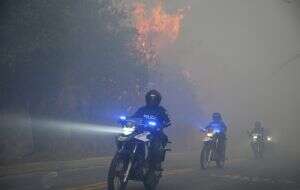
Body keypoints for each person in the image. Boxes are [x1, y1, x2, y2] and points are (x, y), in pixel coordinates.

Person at [131, 89, 171, 170]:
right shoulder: (142, 109)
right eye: (150, 99)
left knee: (157, 146)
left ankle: (156, 163)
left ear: (158, 100)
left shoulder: (161, 110)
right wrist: (127, 119)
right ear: (147, 99)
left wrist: (163, 124)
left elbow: (167, 120)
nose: (152, 101)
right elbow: (134, 117)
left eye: (154, 99)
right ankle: (128, 158)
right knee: (129, 138)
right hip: (141, 132)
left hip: (155, 133)